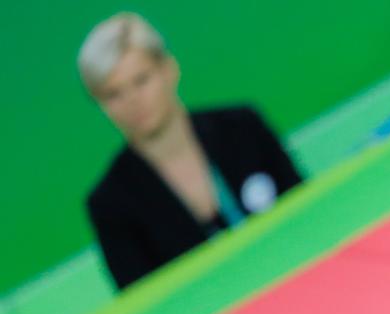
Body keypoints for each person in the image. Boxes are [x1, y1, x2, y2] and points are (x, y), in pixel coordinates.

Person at [79, 13, 303, 290]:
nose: (132, 101)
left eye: (141, 80)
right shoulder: (110, 203)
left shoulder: (243, 128)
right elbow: (144, 303)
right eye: (113, 94)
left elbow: (307, 210)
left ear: (169, 70)